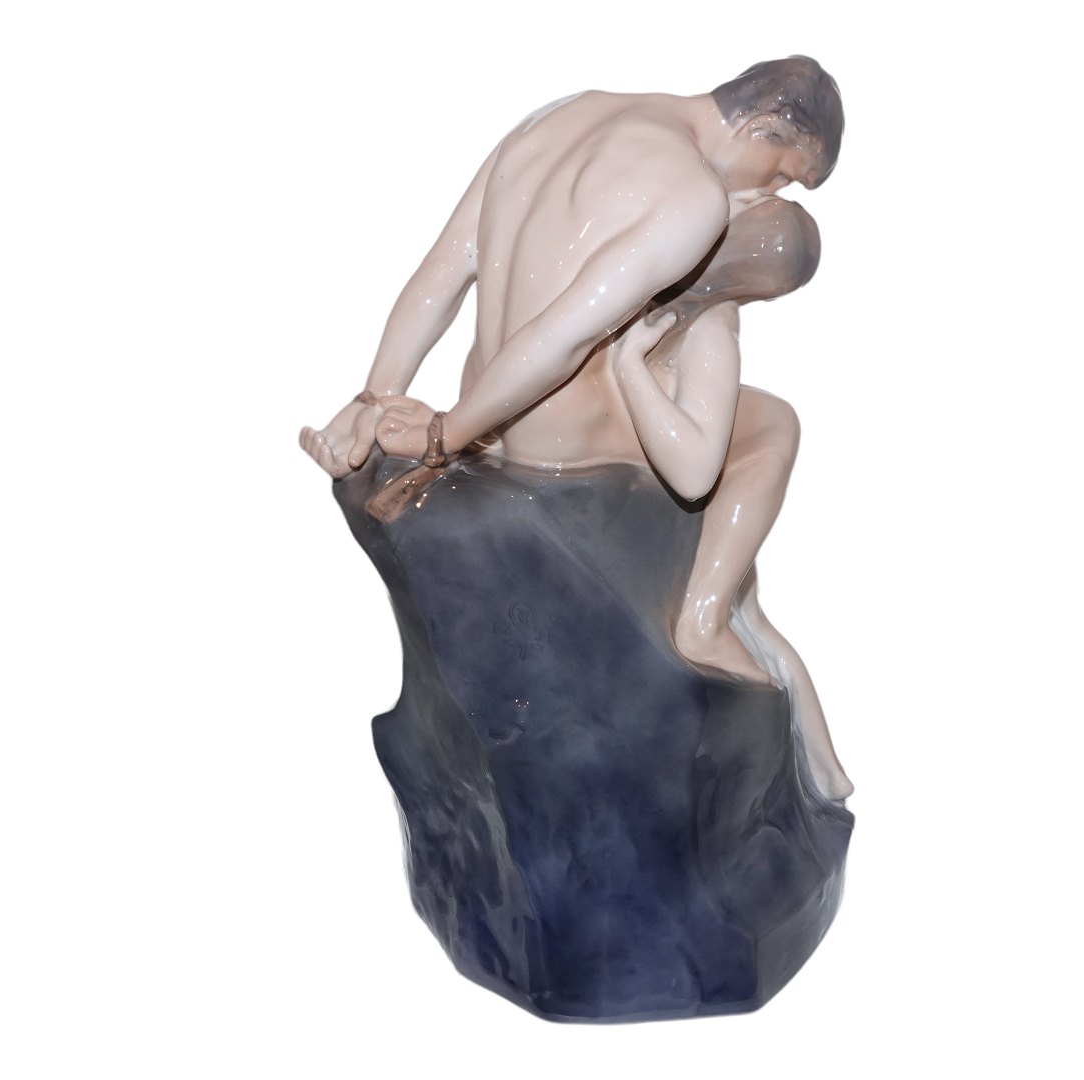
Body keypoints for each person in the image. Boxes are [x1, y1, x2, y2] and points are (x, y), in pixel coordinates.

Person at [375, 197, 853, 801]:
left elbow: (689, 467)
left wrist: (628, 368)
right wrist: (448, 430)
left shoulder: (688, 305)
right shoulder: (663, 278)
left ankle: (811, 763)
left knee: (735, 603)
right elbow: (669, 455)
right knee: (746, 588)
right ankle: (802, 746)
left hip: (638, 463)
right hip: (607, 466)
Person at [299, 56, 843, 476]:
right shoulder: (696, 199)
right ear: (764, 128)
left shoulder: (565, 110)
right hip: (555, 438)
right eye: (783, 175)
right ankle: (701, 597)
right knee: (771, 428)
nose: (770, 193)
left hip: (482, 401)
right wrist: (443, 436)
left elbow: (446, 268)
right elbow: (561, 338)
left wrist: (377, 395)